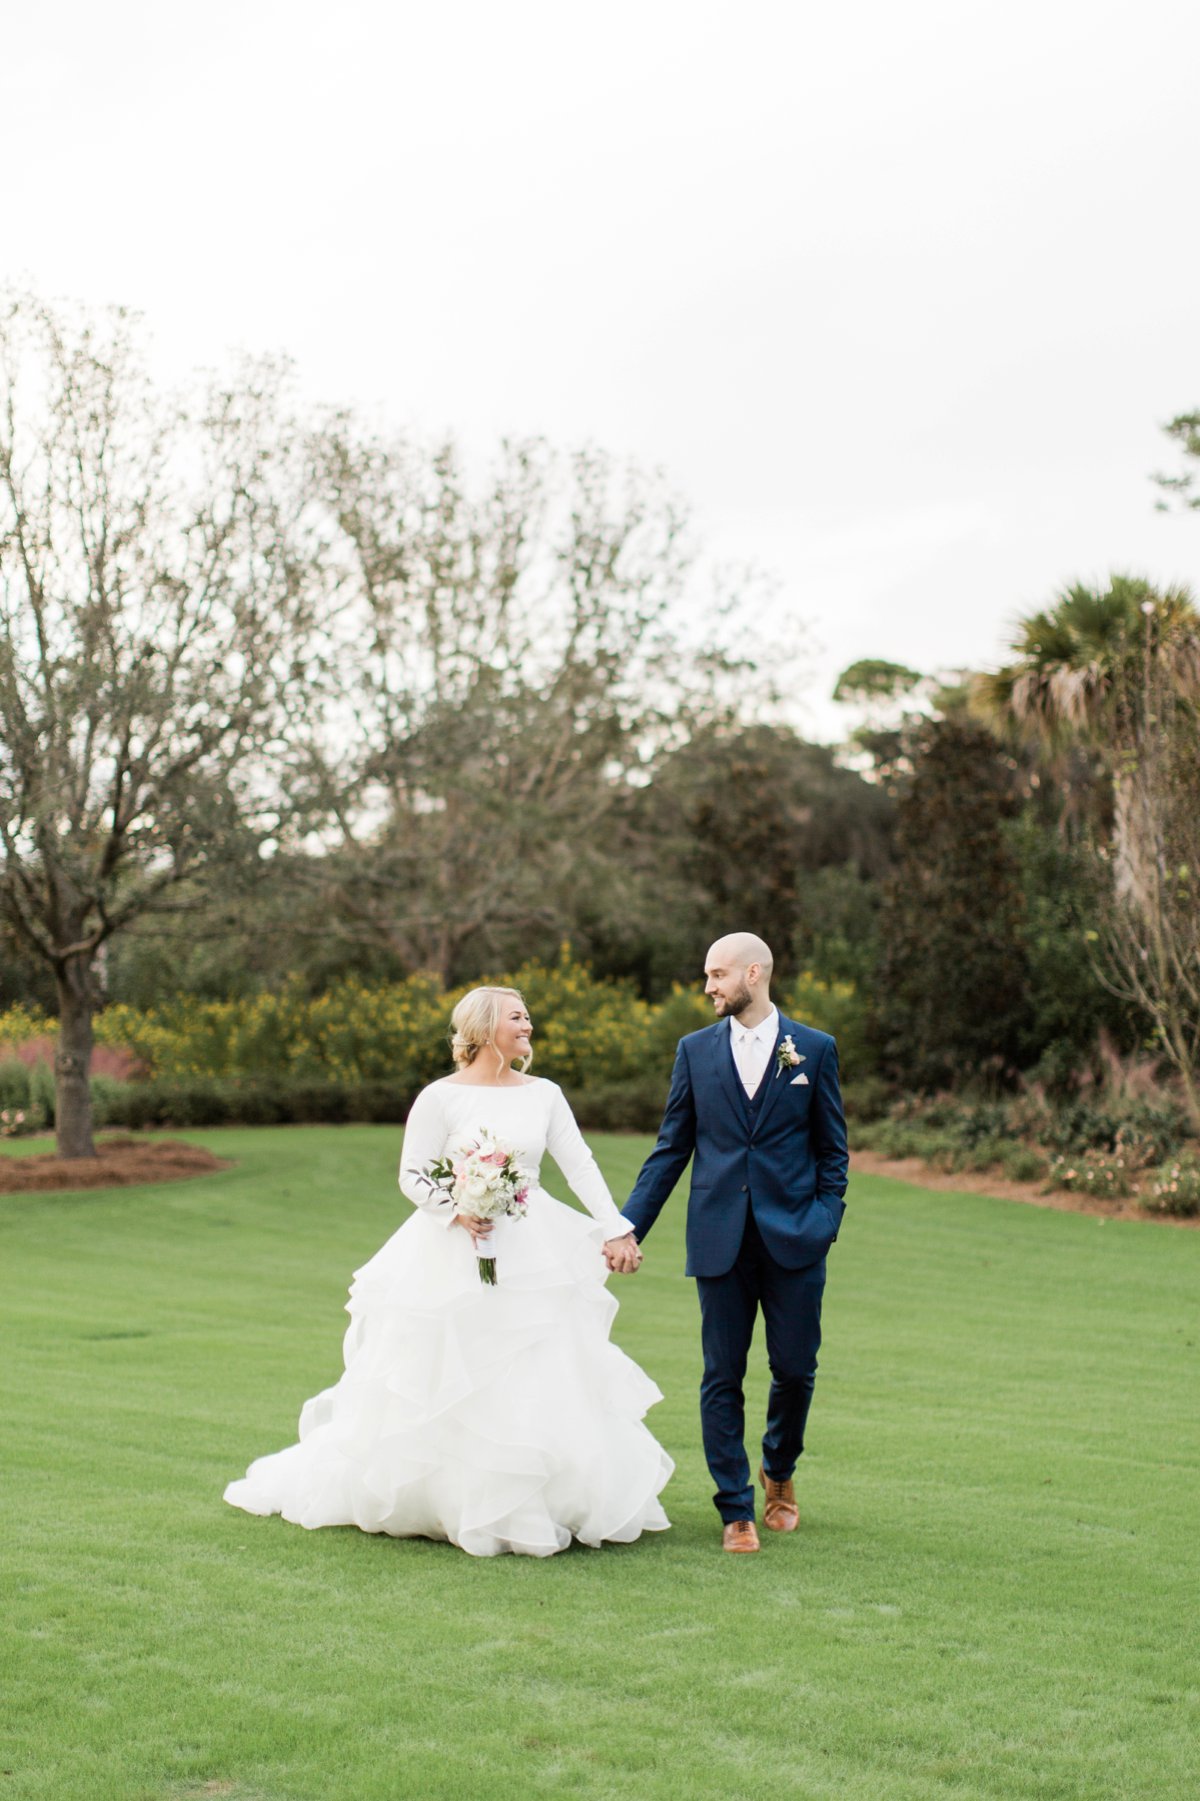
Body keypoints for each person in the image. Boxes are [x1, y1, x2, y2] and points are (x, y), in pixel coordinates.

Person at [224, 987, 671, 1557]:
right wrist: (456, 1207)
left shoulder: (546, 1095)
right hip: (456, 1246)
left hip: (532, 1246)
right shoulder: (440, 1097)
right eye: (517, 1016)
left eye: (528, 1015)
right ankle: (446, 1500)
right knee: (450, 1365)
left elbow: (579, 1163)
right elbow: (412, 1174)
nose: (528, 1023)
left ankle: (538, 1500)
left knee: (534, 1362)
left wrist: (614, 1227)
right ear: (485, 1029)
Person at [620, 933, 848, 1554]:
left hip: (796, 1240)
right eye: (707, 975)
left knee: (795, 1371)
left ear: (754, 973)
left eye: (717, 974)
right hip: (719, 1239)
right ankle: (736, 1506)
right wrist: (628, 1225)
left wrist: (826, 1219)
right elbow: (672, 1148)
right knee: (721, 1374)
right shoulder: (694, 1052)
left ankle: (780, 1471)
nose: (709, 986)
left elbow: (833, 1150)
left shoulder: (815, 1051)